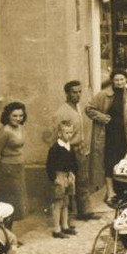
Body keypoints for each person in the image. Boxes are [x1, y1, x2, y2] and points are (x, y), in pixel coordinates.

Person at [51, 81, 99, 220]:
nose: (77, 95)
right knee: (67, 184)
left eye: (79, 92)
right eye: (74, 92)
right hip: (68, 150)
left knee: (83, 180)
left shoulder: (78, 108)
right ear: (67, 93)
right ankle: (67, 217)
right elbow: (56, 134)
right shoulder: (62, 112)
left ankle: (84, 211)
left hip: (79, 149)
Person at [87, 70, 127, 188]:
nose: (119, 83)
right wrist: (102, 117)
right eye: (116, 80)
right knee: (110, 161)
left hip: (125, 133)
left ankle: (121, 186)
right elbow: (89, 109)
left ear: (126, 80)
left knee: (124, 158)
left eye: (121, 80)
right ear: (112, 81)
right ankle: (110, 190)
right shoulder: (103, 95)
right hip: (109, 133)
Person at [0, 102, 28, 222]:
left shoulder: (20, 128)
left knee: (17, 203)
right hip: (6, 171)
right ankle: (5, 235)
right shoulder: (4, 131)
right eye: (14, 116)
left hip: (18, 169)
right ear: (8, 116)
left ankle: (10, 235)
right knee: (7, 203)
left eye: (21, 115)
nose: (18, 118)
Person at [45, 119, 79, 238]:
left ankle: (65, 226)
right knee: (58, 203)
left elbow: (73, 162)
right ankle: (56, 228)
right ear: (60, 133)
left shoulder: (70, 147)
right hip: (59, 176)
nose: (69, 135)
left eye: (71, 133)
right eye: (66, 133)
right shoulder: (55, 148)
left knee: (66, 202)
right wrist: (53, 178)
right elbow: (50, 165)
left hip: (68, 176)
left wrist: (73, 173)